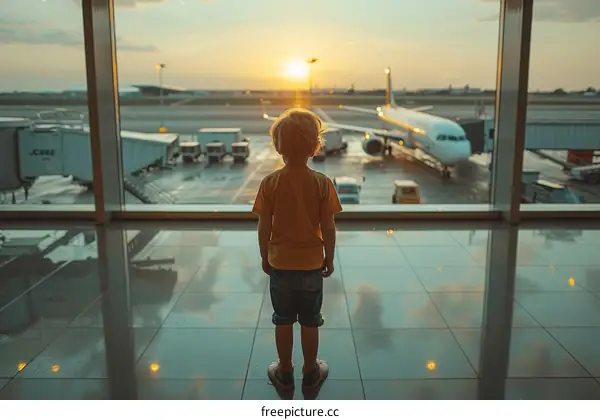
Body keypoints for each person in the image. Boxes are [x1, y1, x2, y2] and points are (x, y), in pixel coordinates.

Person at [252, 108, 342, 391]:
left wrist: (265, 256)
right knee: (310, 321)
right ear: (315, 146)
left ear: (279, 146)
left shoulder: (270, 183)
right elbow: (328, 227)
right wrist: (329, 256)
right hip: (312, 264)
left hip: (281, 264)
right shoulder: (322, 183)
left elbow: (263, 226)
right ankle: (311, 370)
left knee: (283, 320)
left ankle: (285, 370)